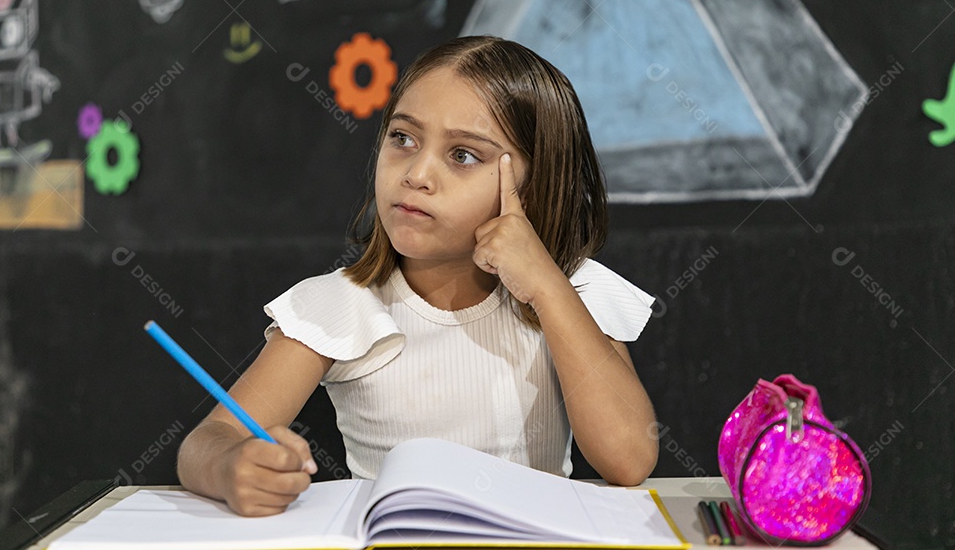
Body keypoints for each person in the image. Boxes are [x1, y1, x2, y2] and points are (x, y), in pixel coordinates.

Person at [176, 35, 659, 516]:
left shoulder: (575, 293)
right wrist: (231, 465)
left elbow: (629, 459)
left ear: (531, 190)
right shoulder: (340, 304)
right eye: (403, 138)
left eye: (463, 155)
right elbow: (208, 442)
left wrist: (547, 285)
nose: (417, 173)